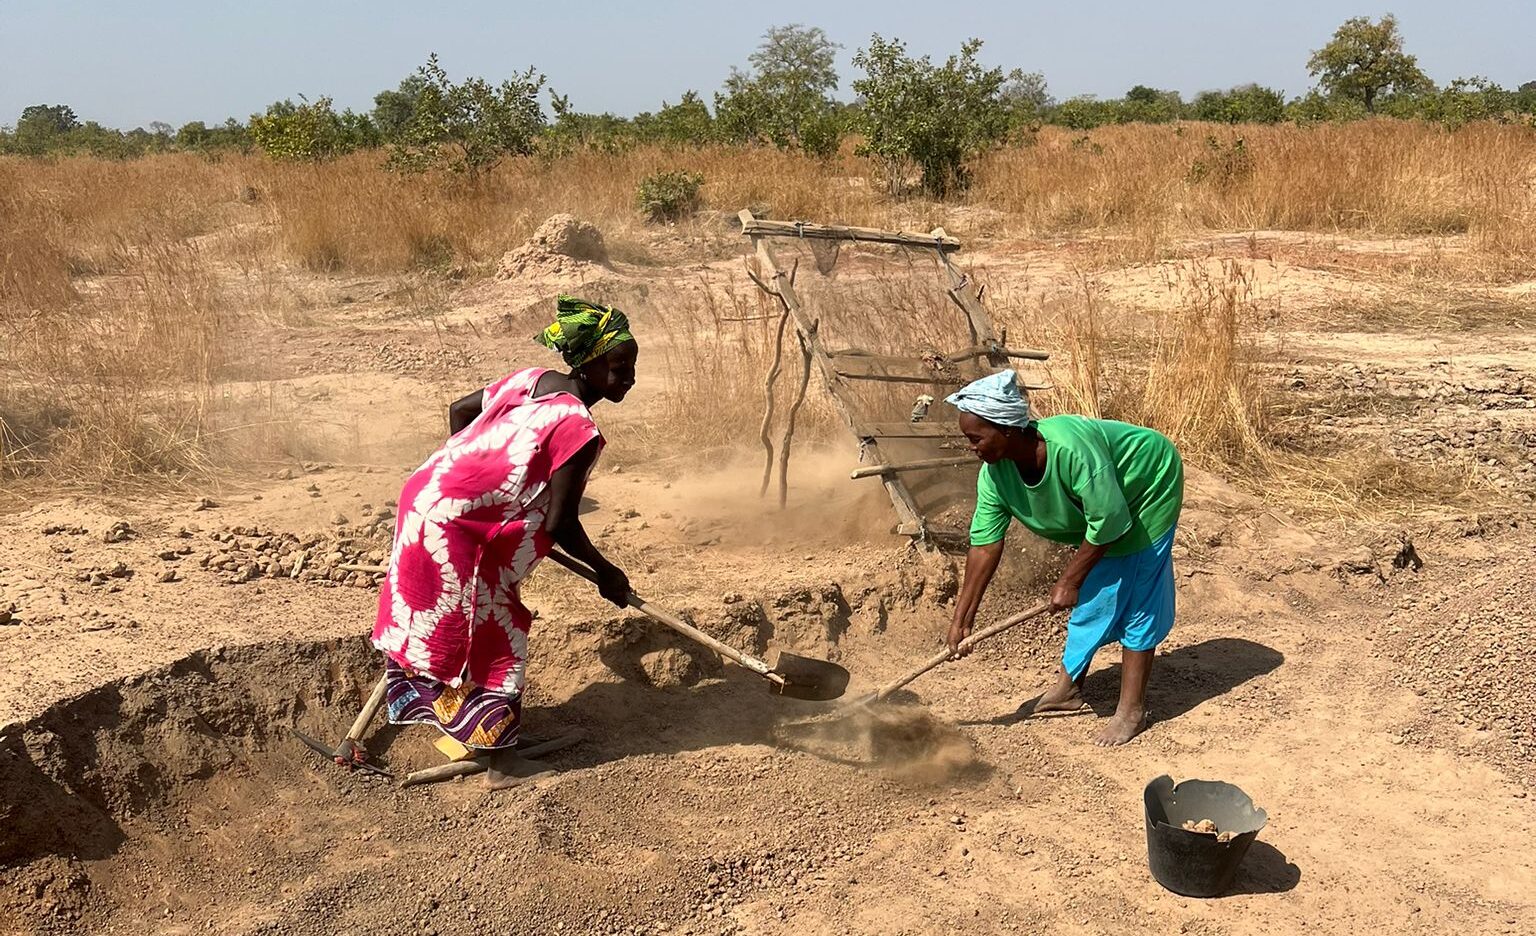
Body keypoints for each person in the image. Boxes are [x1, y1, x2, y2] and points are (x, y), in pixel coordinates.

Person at [370, 295, 638, 787]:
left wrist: (466, 473)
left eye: (632, 366)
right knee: (496, 629)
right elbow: (560, 524)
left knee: (445, 621)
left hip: (423, 500)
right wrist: (607, 574)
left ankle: (478, 731)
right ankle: (499, 761)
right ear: (589, 363)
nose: (629, 378)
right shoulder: (578, 428)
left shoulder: (529, 379)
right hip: (459, 535)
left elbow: (459, 411)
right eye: (619, 366)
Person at [944, 370, 1183, 746]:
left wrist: (1069, 580)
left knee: (1136, 593)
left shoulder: (1070, 451)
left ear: (1007, 429)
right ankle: (1070, 689)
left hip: (1148, 483)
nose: (971, 448)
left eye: (976, 438)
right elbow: (985, 544)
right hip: (1105, 510)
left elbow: (1110, 521)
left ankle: (1131, 710)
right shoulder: (995, 476)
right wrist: (963, 618)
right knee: (1097, 594)